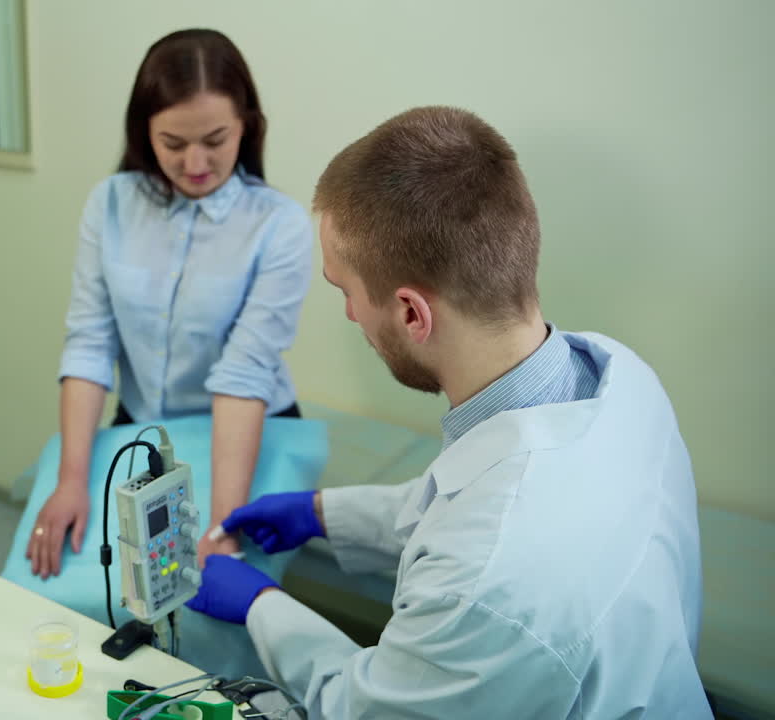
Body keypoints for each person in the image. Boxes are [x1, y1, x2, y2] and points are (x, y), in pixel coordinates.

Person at [186, 106, 708, 717]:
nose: (351, 315)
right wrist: (323, 514)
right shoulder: (617, 377)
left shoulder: (487, 586)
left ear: (412, 313)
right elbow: (465, 502)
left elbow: (358, 707)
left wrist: (259, 605)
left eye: (344, 291)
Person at [26, 29, 313, 579]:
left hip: (247, 428)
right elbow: (89, 343)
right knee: (116, 580)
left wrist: (222, 524)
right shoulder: (109, 203)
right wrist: (71, 479)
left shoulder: (278, 224)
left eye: (215, 139)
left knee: (217, 588)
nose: (196, 163)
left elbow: (244, 373)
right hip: (144, 427)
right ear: (144, 132)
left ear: (246, 126)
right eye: (174, 144)